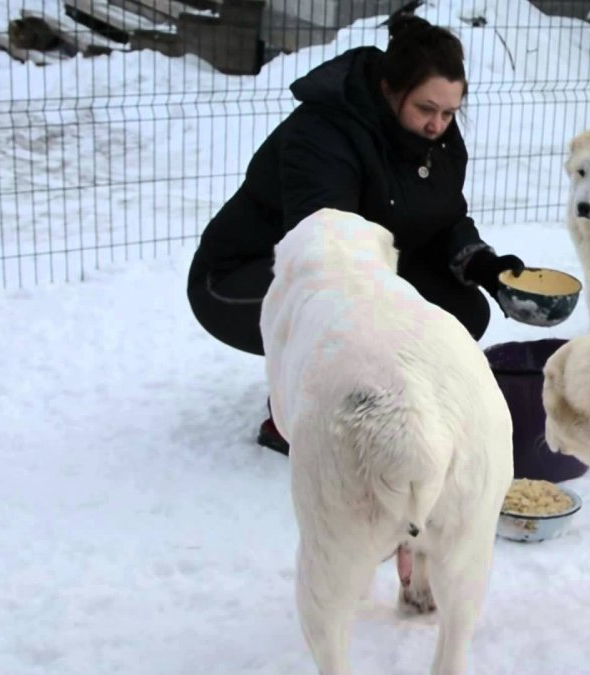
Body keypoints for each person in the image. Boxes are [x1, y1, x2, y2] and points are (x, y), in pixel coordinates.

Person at [186, 3, 525, 456]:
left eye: (449, 113)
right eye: (427, 109)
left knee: (461, 312)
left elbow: (444, 215)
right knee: (355, 314)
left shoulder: (434, 135)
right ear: (389, 89)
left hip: (359, 264)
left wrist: (481, 264)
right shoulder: (323, 133)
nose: (438, 125)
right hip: (243, 278)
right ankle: (293, 417)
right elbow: (324, 253)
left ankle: (394, 400)